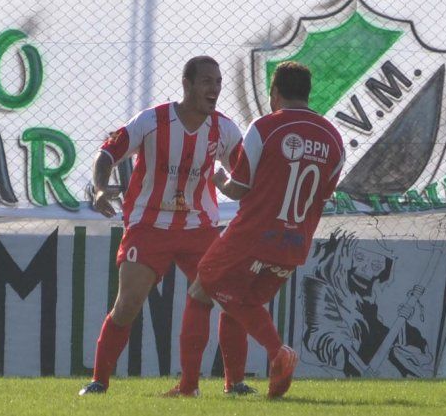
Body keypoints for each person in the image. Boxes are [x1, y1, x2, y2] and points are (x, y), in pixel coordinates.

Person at [79, 56, 253, 397]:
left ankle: (233, 384)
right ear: (186, 84)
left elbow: (244, 175)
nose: (214, 89)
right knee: (127, 304)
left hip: (199, 227)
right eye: (206, 81)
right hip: (149, 224)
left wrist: (250, 198)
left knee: (233, 297)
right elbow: (107, 153)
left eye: (217, 82)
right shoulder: (153, 120)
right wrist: (100, 187)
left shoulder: (224, 129)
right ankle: (99, 381)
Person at [189, 61, 345, 398]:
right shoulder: (334, 138)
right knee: (239, 306)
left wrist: (219, 180)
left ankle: (277, 353)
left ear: (274, 92)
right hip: (294, 242)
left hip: (252, 234)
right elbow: (325, 192)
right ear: (307, 93)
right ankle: (235, 385)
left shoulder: (266, 127)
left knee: (205, 284)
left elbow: (240, 189)